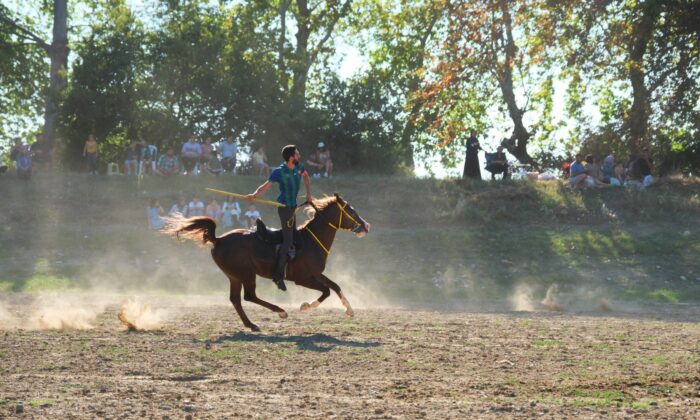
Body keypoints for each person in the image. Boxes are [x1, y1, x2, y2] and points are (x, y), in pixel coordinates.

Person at [246, 144, 313, 291]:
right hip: (284, 209)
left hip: (293, 208)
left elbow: (306, 177)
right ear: (291, 157)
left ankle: (294, 270)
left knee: (298, 239)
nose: (299, 156)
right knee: (288, 240)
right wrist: (254, 195)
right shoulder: (279, 172)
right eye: (297, 154)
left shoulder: (299, 167)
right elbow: (265, 186)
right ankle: (277, 276)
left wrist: (308, 193)